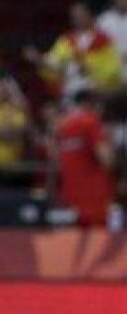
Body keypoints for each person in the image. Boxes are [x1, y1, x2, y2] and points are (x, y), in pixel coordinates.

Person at [55, 88, 115, 227]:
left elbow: (57, 157)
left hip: (69, 193)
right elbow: (106, 159)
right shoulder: (91, 122)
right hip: (94, 195)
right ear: (89, 104)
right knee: (97, 241)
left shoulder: (62, 126)